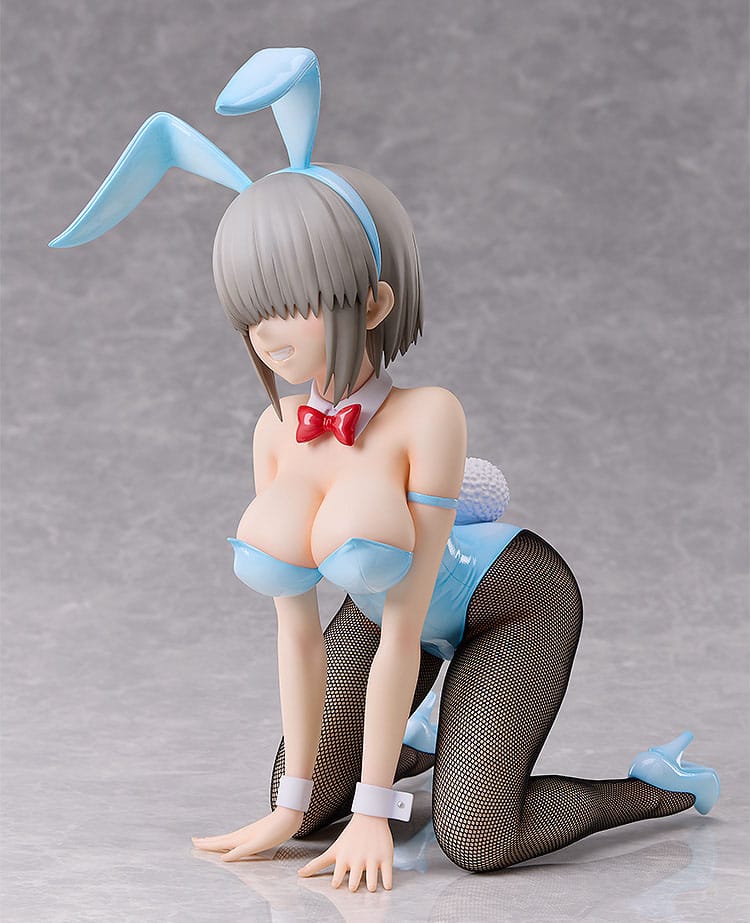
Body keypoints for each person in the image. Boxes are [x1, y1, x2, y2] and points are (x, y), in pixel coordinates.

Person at [50, 47, 719, 894]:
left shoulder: (428, 415)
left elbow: (406, 624)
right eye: (252, 308)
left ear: (371, 301)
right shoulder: (274, 431)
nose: (267, 333)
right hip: (381, 611)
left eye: (292, 302)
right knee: (300, 798)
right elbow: (296, 628)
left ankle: (656, 786)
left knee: (477, 835)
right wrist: (293, 806)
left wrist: (374, 811)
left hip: (508, 602)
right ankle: (433, 737)